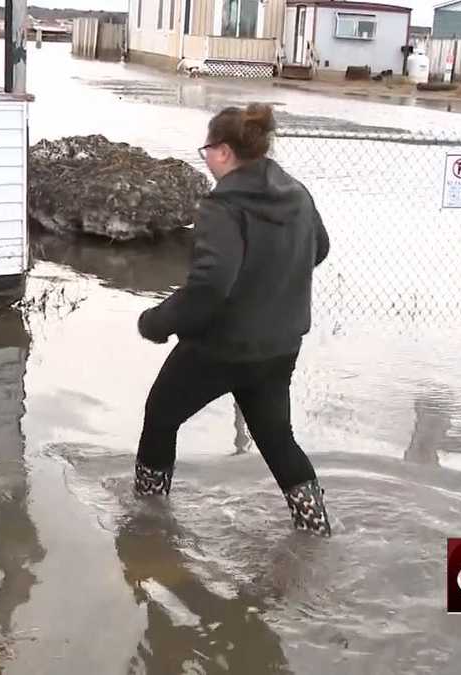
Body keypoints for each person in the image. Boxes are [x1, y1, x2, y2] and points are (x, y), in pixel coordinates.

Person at [135, 103, 333, 536]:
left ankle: (147, 520)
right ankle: (316, 530)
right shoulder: (297, 193)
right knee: (277, 439)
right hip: (280, 345)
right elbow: (319, 248)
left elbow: (211, 284)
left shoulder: (221, 205)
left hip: (221, 346)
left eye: (206, 149)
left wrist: (157, 321)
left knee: (161, 416)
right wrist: (272, 282)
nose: (204, 158)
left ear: (224, 151)